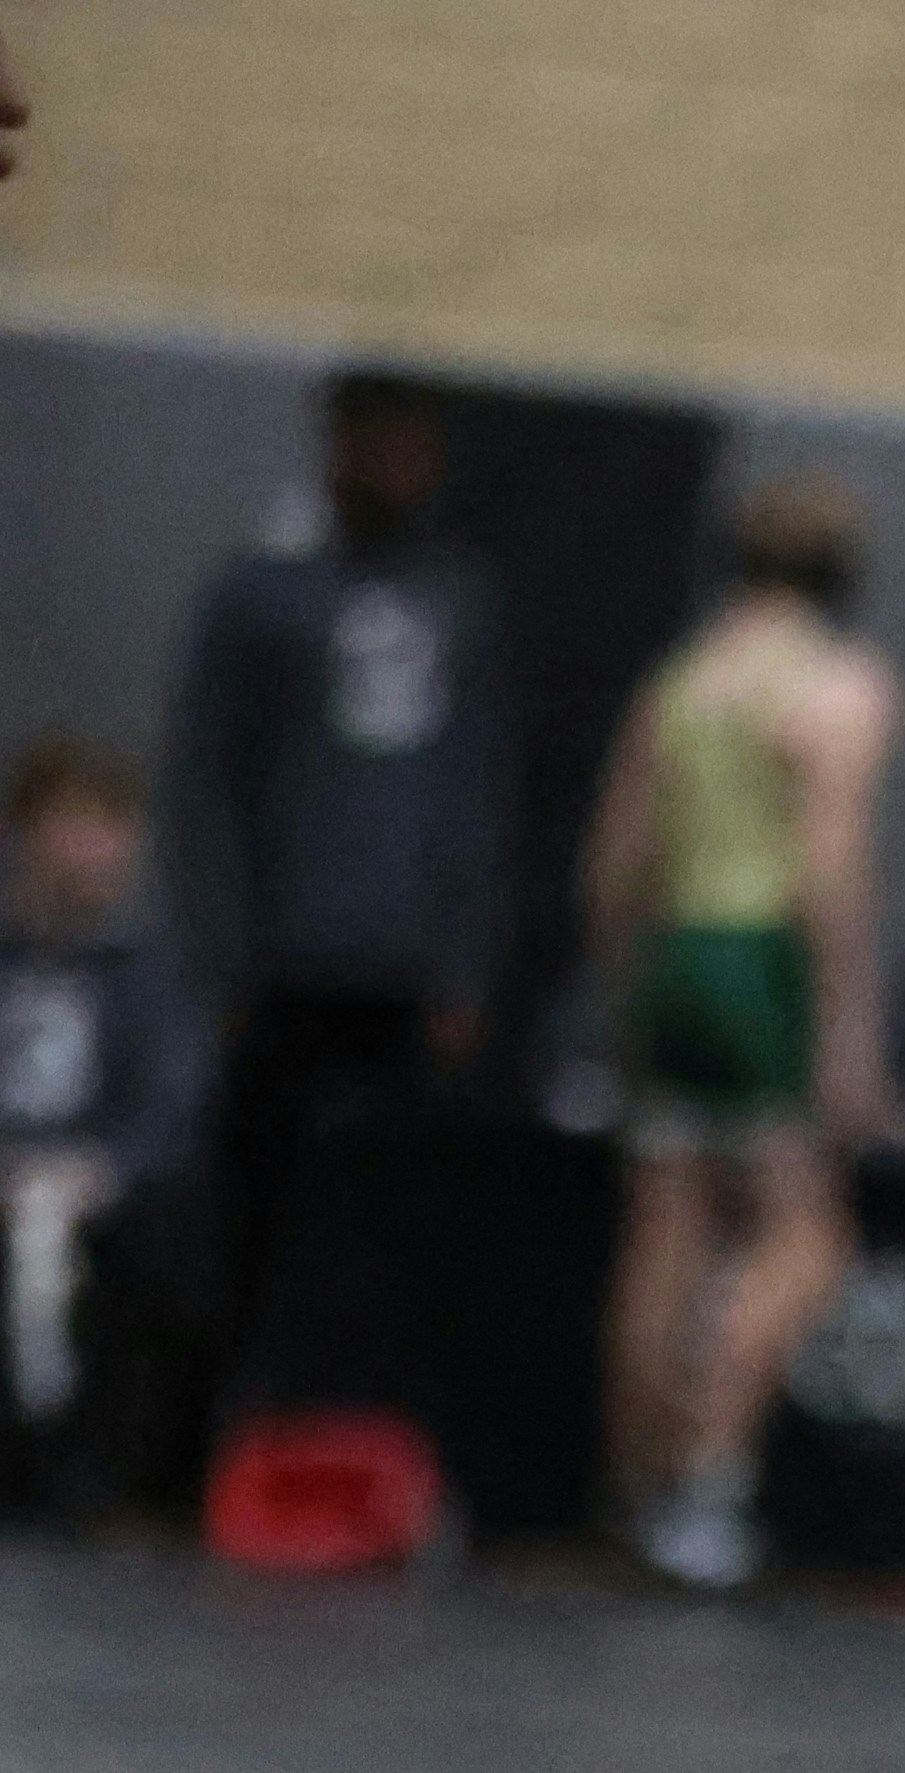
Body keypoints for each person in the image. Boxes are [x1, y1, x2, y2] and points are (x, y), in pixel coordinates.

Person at [161, 369, 519, 1388]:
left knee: (387, 1203)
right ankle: (227, 1426)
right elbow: (207, 786)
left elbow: (474, 791)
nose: (398, 470)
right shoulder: (263, 593)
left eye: (416, 448)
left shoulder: (459, 598)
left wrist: (462, 960)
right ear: (336, 448)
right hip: (283, 962)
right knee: (252, 1204)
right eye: (378, 445)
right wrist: (222, 956)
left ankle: (357, 1421)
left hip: (401, 968)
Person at [577, 471, 899, 1593]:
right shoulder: (836, 688)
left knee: (668, 1227)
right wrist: (850, 1036)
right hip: (759, 960)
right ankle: (710, 1479)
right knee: (806, 1235)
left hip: (677, 957)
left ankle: (637, 1482)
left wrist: (636, 992)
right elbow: (827, 872)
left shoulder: (685, 683)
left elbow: (614, 868)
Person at [0, 737, 210, 1525]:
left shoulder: (146, 972)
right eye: (80, 822)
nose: (101, 849)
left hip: (97, 1198)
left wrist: (97, 1172)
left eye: (117, 826)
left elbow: (172, 1108)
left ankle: (105, 1476)